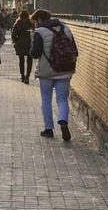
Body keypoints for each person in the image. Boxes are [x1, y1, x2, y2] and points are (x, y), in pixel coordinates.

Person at [30, 8, 76, 142]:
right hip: (65, 71)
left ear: (39, 20)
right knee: (62, 99)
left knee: (46, 100)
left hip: (47, 72)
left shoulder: (40, 32)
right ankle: (63, 121)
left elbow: (35, 54)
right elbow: (74, 49)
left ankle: (48, 129)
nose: (35, 24)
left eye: (35, 21)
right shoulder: (66, 28)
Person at [10, 10, 35, 84]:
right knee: (29, 60)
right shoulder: (31, 23)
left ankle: (22, 75)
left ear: (20, 16)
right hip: (29, 44)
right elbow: (34, 33)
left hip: (20, 44)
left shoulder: (17, 23)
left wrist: (16, 41)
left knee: (21, 60)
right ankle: (27, 76)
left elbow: (13, 35)